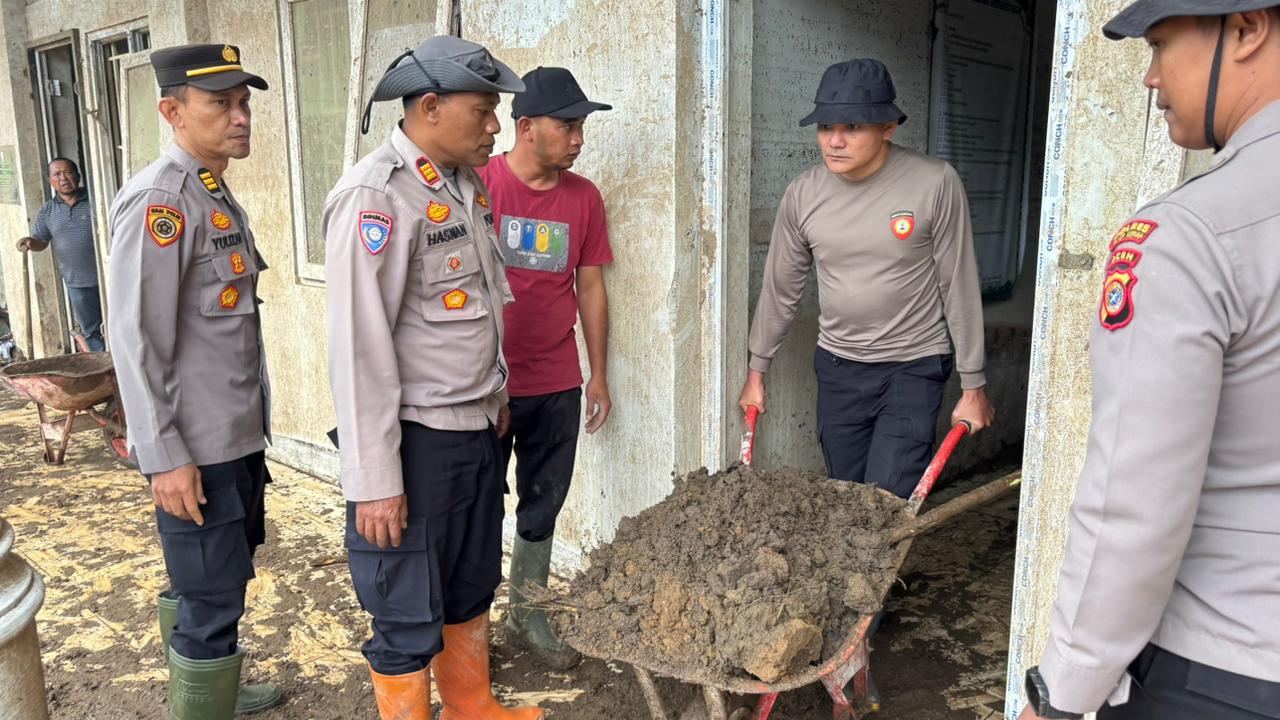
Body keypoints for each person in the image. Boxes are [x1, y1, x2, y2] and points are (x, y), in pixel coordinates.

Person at [1018, 3, 1280, 719]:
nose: (1151, 77)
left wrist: (1061, 691)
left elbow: (1132, 501)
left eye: (1162, 44)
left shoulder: (1193, 234)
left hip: (1224, 670)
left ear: (1247, 28)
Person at [323, 36, 543, 720]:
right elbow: (359, 348)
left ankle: (473, 707)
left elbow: (478, 305)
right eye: (482, 111)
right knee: (406, 606)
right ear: (429, 107)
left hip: (473, 430)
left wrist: (496, 395)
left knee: (470, 582)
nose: (495, 127)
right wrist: (374, 480)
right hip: (415, 444)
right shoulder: (377, 197)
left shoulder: (461, 183)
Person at [106, 43, 280, 718]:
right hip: (197, 447)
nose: (240, 117)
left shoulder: (209, 189)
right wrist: (164, 457)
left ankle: (212, 691)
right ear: (172, 112)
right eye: (221, 104)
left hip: (232, 432)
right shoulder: (163, 201)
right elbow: (135, 339)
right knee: (210, 597)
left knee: (213, 581)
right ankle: (203, 694)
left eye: (244, 103)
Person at [738, 58, 996, 499]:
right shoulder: (803, 194)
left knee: (886, 498)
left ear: (888, 128)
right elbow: (781, 290)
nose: (834, 141)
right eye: (825, 127)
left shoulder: (934, 183)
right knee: (845, 496)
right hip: (838, 367)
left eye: (853, 127)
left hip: (913, 365)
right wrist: (756, 372)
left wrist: (974, 384)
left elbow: (959, 286)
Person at [474, 66, 613, 670]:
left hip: (556, 382)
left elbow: (591, 286)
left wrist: (597, 373)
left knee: (543, 502)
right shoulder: (477, 185)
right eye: (568, 126)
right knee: (476, 506)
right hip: (484, 385)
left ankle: (528, 613)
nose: (579, 139)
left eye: (582, 127)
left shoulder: (583, 198)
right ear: (526, 127)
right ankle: (470, 626)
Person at [16, 158, 105, 351]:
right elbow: (41, 241)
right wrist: (30, 242)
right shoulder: (47, 210)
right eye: (57, 174)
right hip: (77, 283)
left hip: (109, 277)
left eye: (68, 172)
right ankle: (105, 366)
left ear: (78, 176)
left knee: (120, 323)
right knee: (91, 332)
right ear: (50, 181)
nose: (63, 178)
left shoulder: (98, 200)